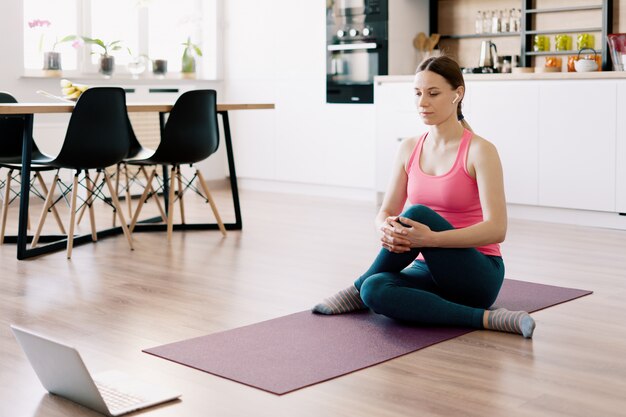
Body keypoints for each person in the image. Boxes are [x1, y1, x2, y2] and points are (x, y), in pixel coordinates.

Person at [312, 55, 535, 338]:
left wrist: (431, 239)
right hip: (425, 270)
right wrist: (386, 229)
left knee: (416, 213)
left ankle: (354, 289)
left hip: (477, 272)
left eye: (433, 93)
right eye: (417, 93)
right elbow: (385, 211)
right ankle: (487, 319)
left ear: (458, 94)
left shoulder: (480, 151)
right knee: (375, 289)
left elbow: (497, 229)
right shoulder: (409, 148)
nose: (422, 103)